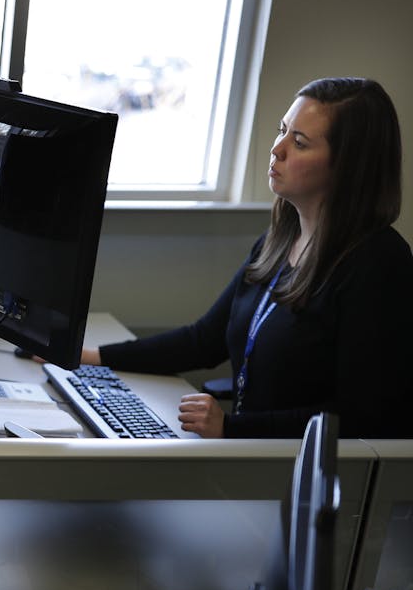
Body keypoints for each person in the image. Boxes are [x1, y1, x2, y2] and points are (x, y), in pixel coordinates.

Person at [83, 77, 413, 438]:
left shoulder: (378, 263)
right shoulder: (280, 239)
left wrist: (231, 427)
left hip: (303, 475)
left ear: (348, 167)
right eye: (282, 131)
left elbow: (364, 415)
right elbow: (203, 340)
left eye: (299, 142)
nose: (278, 149)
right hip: (250, 454)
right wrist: (91, 358)